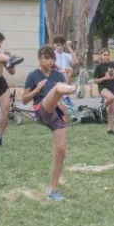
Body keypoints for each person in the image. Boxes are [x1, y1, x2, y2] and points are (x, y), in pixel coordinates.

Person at [23, 45, 77, 201]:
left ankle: (52, 190)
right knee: (58, 88)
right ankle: (74, 88)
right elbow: (25, 99)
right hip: (41, 110)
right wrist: (36, 89)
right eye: (46, 57)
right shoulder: (33, 76)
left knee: (60, 151)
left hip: (55, 113)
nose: (49, 60)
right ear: (39, 59)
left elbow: (59, 99)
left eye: (51, 57)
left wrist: (63, 105)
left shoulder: (57, 75)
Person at [93, 48, 114, 136]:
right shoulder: (98, 67)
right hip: (103, 88)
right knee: (111, 98)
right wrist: (104, 78)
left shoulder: (112, 65)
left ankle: (110, 130)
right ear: (101, 56)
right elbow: (95, 81)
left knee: (112, 110)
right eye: (104, 55)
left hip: (113, 87)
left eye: (107, 55)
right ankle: (103, 108)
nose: (106, 56)